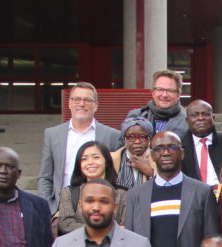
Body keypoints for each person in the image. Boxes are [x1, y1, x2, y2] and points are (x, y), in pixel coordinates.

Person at [38, 82, 122, 210]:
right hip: (61, 209)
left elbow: (117, 176)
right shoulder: (53, 134)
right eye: (77, 99)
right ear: (69, 103)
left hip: (99, 208)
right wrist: (50, 208)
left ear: (96, 105)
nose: (81, 104)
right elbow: (45, 177)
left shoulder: (113, 136)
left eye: (87, 100)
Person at [56, 141, 129, 235]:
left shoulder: (123, 193)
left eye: (96, 157)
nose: (90, 163)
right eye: (84, 159)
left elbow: (126, 225)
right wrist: (102, 230)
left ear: (106, 161)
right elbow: (66, 224)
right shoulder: (69, 192)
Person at [181, 100, 222, 187]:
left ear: (213, 118)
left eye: (205, 114)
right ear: (187, 120)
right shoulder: (180, 146)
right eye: (195, 115)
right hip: (194, 195)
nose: (200, 118)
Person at [127, 70, 188, 136]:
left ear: (178, 94)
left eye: (170, 90)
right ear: (153, 92)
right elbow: (123, 143)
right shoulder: (136, 116)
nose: (164, 95)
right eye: (160, 89)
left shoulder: (187, 121)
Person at [112, 117, 155, 190]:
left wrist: (150, 172)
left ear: (149, 139)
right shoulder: (113, 159)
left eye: (142, 137)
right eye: (131, 137)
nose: (137, 141)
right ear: (125, 139)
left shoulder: (157, 158)